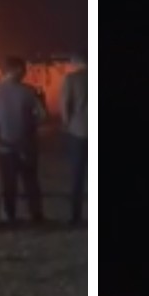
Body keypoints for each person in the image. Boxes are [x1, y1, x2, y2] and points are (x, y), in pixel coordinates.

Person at [0, 57, 47, 224]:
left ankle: (9, 215)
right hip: (26, 144)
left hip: (3, 144)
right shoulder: (28, 91)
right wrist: (31, 127)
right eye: (22, 70)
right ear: (14, 70)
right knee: (30, 180)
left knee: (8, 181)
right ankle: (35, 213)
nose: (24, 73)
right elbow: (43, 116)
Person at [60, 55, 88, 224]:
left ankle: (76, 215)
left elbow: (65, 105)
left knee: (78, 174)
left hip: (79, 131)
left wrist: (67, 124)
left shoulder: (72, 79)